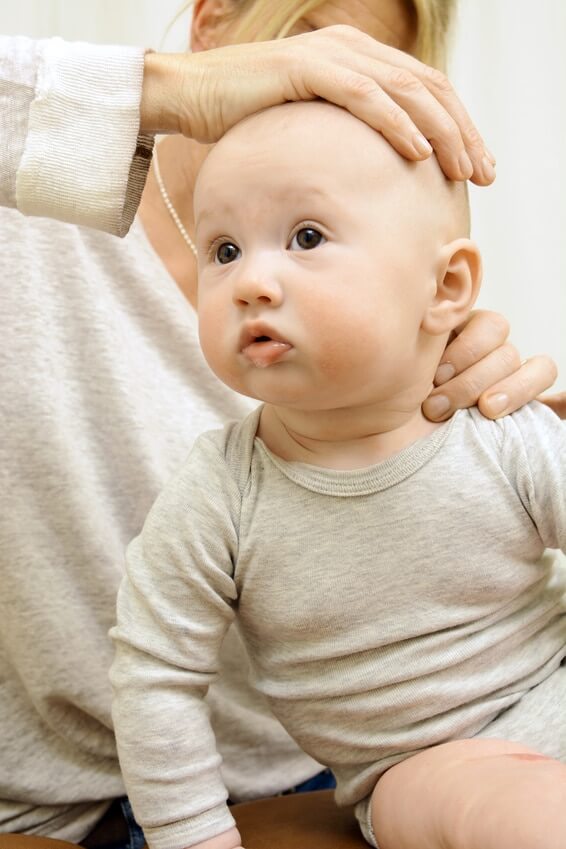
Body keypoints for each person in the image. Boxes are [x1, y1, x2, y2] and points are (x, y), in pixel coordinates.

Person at [0, 0, 562, 845]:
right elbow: (154, 669)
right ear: (211, 22)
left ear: (445, 288)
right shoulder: (222, 486)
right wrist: (160, 93)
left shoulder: (476, 412)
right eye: (320, 57)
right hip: (398, 771)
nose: (255, 280)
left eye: (370, 98)